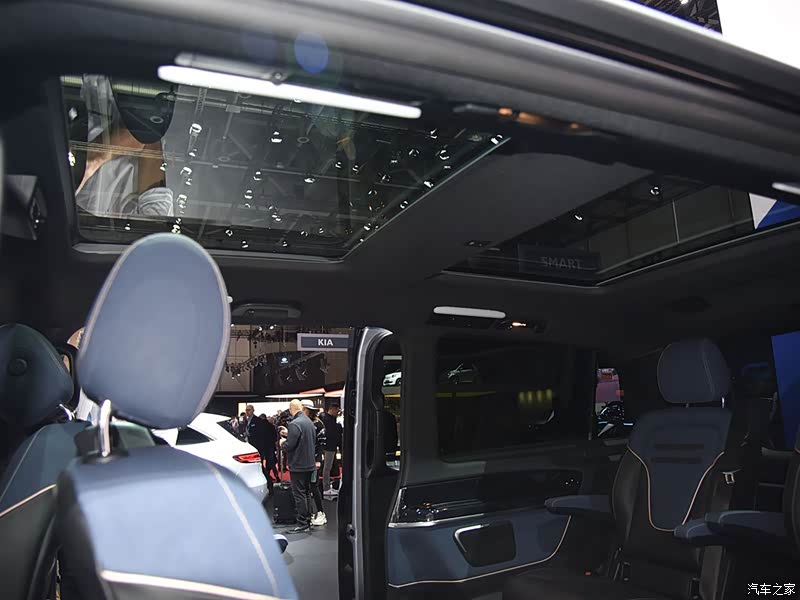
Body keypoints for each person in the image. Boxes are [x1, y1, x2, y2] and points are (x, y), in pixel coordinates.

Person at [280, 399, 317, 533]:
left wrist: (282, 443)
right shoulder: (309, 422)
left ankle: (302, 523)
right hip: (309, 464)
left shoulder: (294, 424)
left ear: (291, 409)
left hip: (298, 464)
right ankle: (308, 520)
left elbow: (290, 445)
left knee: (299, 495)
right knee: (307, 493)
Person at [301, 400, 327, 526]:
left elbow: (322, 443)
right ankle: (310, 513)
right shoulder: (306, 423)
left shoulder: (318, 424)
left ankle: (321, 513)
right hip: (305, 460)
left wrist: (318, 460)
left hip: (314, 460)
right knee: (307, 486)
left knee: (313, 486)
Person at [321, 402, 343, 498]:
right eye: (337, 411)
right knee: (327, 468)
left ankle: (326, 487)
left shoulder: (327, 419)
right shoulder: (328, 421)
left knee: (327, 467)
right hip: (329, 447)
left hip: (329, 446)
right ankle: (326, 488)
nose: (337, 413)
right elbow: (332, 434)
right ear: (333, 409)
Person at [258, 413, 279, 495]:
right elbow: (275, 436)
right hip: (270, 446)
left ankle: (270, 477)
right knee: (271, 462)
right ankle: (275, 476)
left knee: (267, 463)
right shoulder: (271, 426)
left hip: (264, 447)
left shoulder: (261, 427)